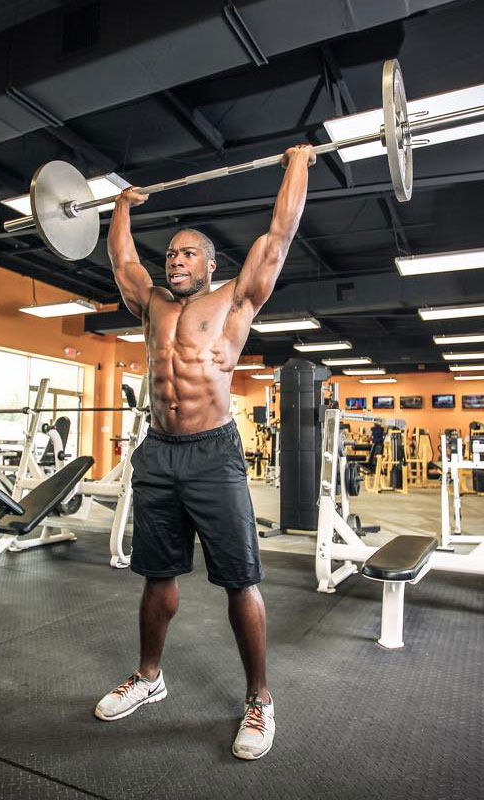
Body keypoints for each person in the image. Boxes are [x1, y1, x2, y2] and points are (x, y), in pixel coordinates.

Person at [95, 144, 316, 760]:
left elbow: (278, 234)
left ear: (211, 263)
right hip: (159, 453)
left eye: (188, 253)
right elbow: (121, 260)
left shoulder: (235, 301)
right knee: (156, 578)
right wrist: (119, 207)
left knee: (240, 582)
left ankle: (260, 700)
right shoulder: (152, 305)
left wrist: (297, 165)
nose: (175, 261)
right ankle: (148, 676)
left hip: (214, 455)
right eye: (171, 254)